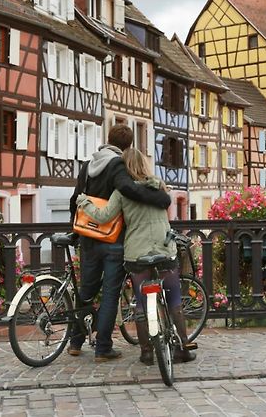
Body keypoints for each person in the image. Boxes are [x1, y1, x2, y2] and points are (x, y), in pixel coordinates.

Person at [76, 148, 196, 365]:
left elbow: (103, 216)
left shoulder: (121, 193)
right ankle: (183, 348)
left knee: (141, 303)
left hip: (136, 252)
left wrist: (84, 202)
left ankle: (146, 352)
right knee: (174, 300)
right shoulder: (159, 186)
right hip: (164, 247)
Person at [68, 124, 171, 362]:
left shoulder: (87, 166)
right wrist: (161, 198)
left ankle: (75, 341)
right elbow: (127, 189)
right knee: (109, 295)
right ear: (128, 147)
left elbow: (75, 199)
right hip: (113, 238)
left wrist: (74, 230)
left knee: (86, 291)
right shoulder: (118, 164)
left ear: (108, 139)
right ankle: (103, 347)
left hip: (88, 237)